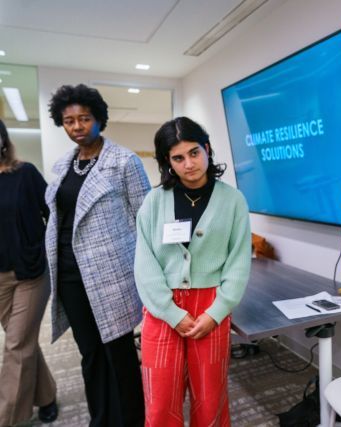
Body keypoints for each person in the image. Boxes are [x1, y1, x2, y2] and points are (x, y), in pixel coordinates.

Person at [134, 116, 251, 426]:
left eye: (194, 152)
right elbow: (144, 264)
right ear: (167, 162)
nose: (189, 163)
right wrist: (171, 312)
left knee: (210, 397)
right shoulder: (153, 203)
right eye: (178, 157)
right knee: (160, 403)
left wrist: (217, 311)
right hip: (162, 310)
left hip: (211, 308)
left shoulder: (233, 201)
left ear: (207, 149)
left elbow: (239, 262)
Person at [45, 84, 149, 426]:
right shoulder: (62, 166)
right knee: (89, 353)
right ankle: (101, 418)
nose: (77, 126)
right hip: (70, 274)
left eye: (84, 118)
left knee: (117, 353)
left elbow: (144, 219)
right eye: (69, 120)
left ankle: (132, 419)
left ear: (99, 119)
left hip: (111, 277)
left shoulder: (123, 161)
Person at [0, 119, 58, 425]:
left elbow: (54, 214)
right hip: (0, 280)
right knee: (21, 342)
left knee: (15, 345)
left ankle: (9, 419)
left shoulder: (25, 173)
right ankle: (46, 395)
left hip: (31, 273)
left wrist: (42, 251)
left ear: (3, 140)